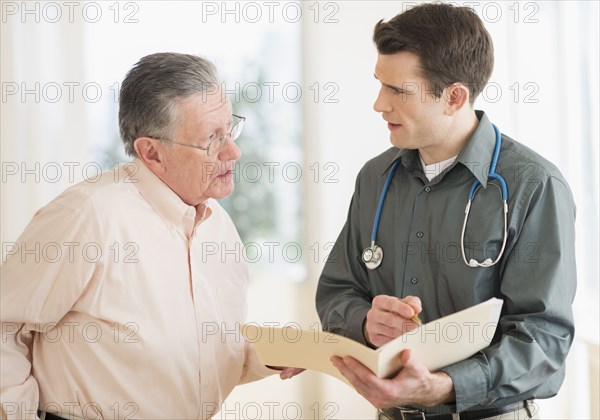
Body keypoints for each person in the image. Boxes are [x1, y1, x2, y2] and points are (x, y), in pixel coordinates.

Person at [316, 3, 576, 420]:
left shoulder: (533, 185)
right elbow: (337, 290)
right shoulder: (375, 178)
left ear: (454, 97)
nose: (379, 104)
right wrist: (366, 322)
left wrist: (446, 387)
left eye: (398, 91)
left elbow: (544, 337)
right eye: (380, 85)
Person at [1, 52, 293, 420]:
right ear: (151, 152)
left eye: (230, 129)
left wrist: (280, 354)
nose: (234, 152)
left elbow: (203, 359)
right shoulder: (88, 216)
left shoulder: (218, 226)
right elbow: (4, 323)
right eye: (211, 139)